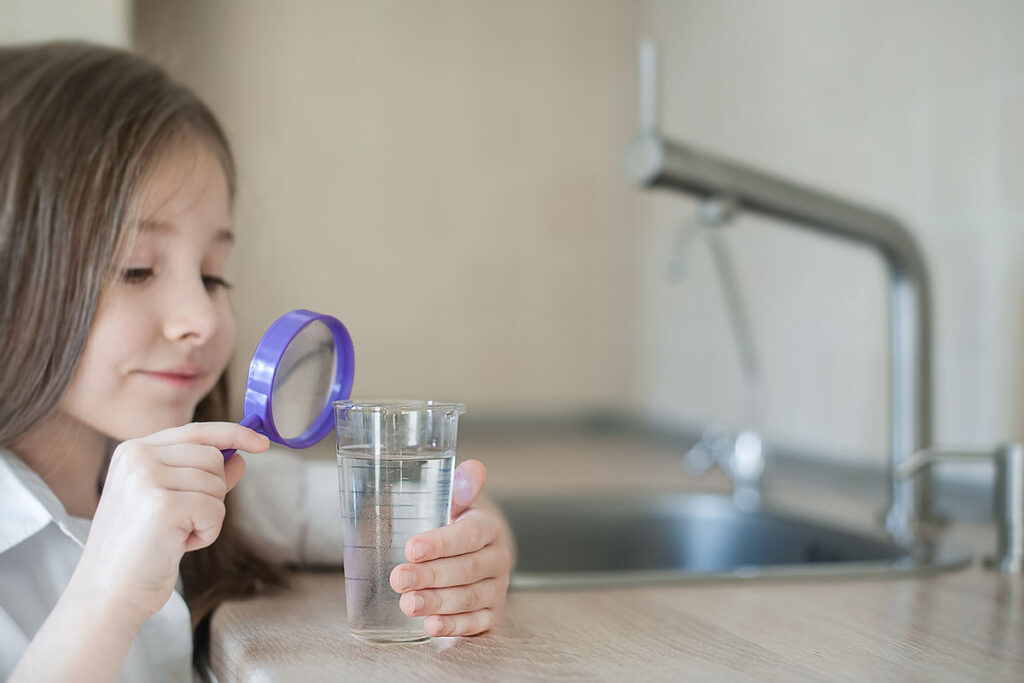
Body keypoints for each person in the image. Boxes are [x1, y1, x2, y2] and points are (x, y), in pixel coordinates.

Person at [0, 41, 514, 682]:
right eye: (136, 269)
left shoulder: (217, 481)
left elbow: (438, 515)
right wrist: (106, 594)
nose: (204, 316)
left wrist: (473, 553)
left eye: (213, 277)